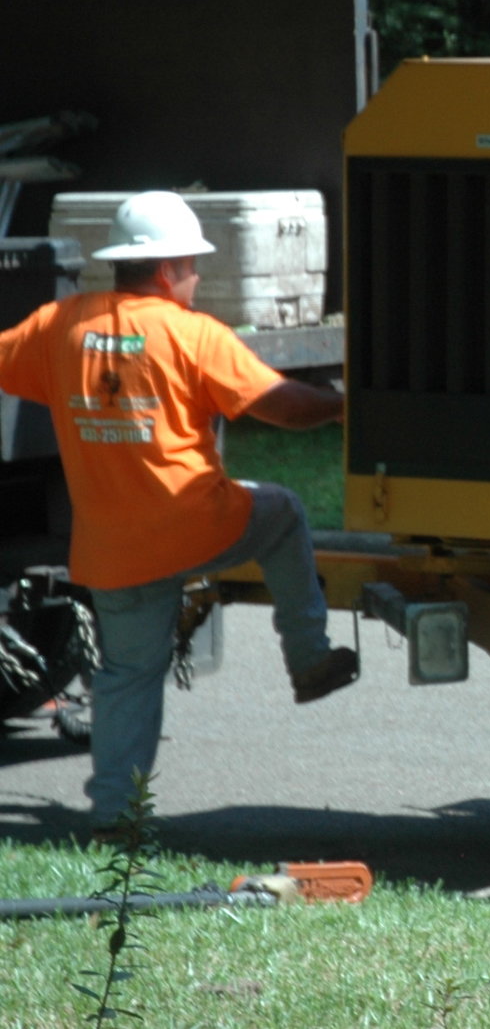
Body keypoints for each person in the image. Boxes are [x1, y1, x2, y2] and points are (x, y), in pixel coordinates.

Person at [0, 191, 357, 824]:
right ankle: (308, 660)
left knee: (127, 677)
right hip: (196, 527)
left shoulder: (58, 326)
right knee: (283, 512)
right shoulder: (192, 334)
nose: (195, 277)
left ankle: (115, 817)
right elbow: (281, 405)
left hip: (110, 550)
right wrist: (342, 404)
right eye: (192, 265)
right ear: (167, 270)